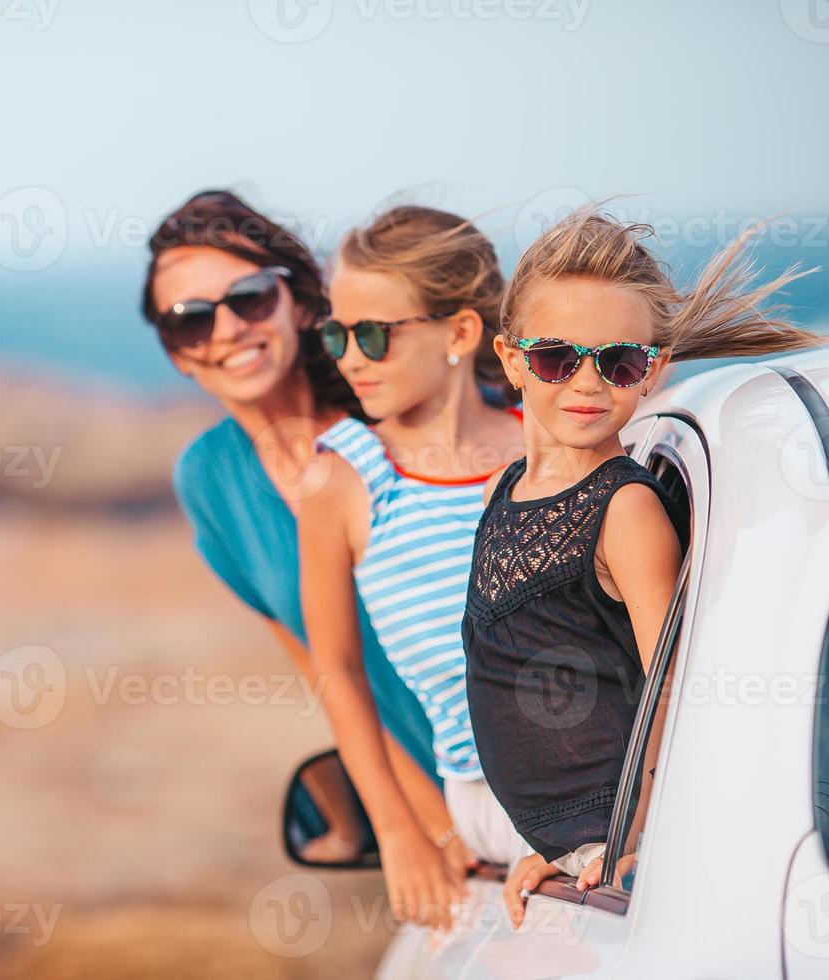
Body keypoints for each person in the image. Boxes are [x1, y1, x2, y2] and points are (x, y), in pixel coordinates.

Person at [462, 206, 827, 927]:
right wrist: (558, 851)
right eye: (556, 358)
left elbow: (674, 689)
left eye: (619, 361)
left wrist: (630, 843)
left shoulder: (624, 509)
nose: (588, 383)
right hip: (574, 852)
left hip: (624, 847)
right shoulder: (502, 487)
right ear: (511, 361)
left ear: (653, 369)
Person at [140, 190, 462, 900]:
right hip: (447, 810)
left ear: (302, 304)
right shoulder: (209, 481)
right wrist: (419, 829)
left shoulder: (393, 418)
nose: (226, 329)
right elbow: (331, 675)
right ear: (178, 355)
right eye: (192, 319)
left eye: (249, 298)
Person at [298, 205, 529, 931]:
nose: (349, 358)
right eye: (337, 334)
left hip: (618, 778)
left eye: (372, 335)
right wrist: (400, 831)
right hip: (495, 805)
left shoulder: (548, 446)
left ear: (460, 333)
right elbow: (334, 666)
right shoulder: (343, 483)